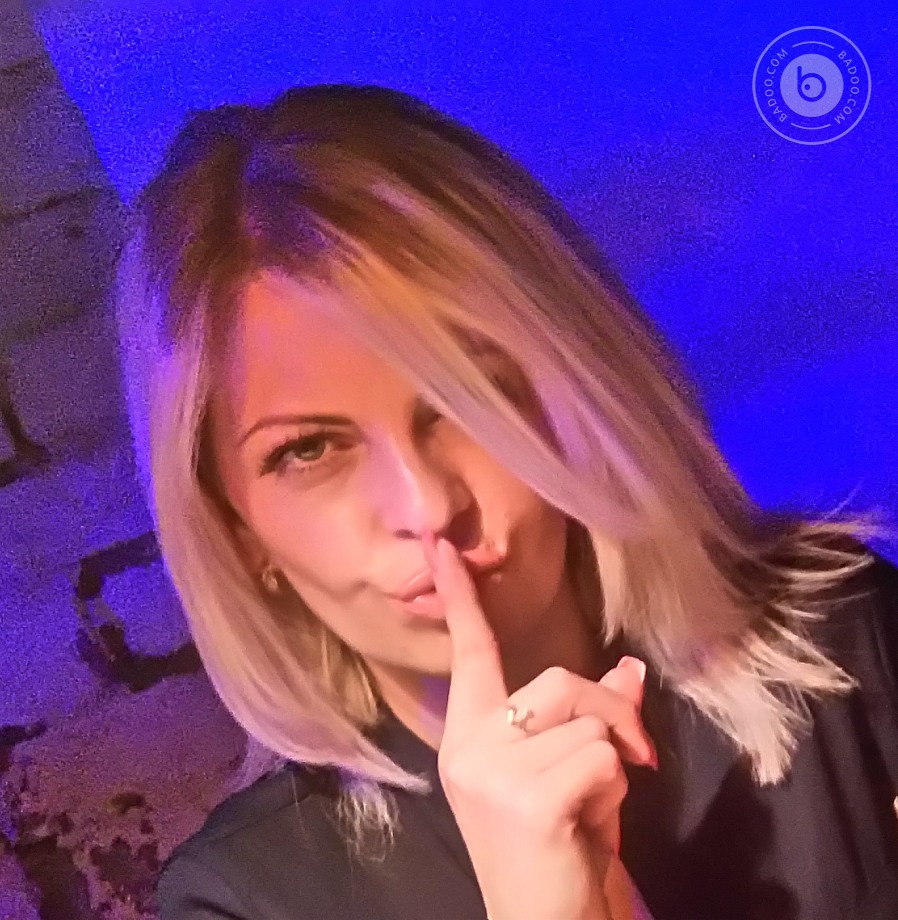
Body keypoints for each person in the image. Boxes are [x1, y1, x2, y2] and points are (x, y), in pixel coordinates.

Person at [113, 83, 898, 920]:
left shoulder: (841, 647)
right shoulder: (242, 900)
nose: (425, 507)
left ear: (578, 384)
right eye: (308, 451)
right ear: (235, 529)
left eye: (469, 397)